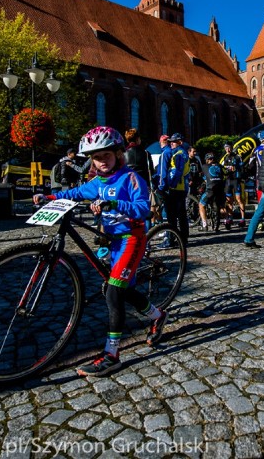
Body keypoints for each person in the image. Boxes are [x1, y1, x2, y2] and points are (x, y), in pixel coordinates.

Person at [32, 126, 168, 377]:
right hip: (111, 241)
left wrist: (114, 203)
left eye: (105, 155)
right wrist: (49, 196)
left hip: (131, 238)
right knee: (123, 289)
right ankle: (157, 316)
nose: (101, 161)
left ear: (118, 153)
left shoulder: (131, 178)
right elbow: (73, 193)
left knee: (114, 293)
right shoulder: (97, 182)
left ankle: (111, 355)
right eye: (96, 157)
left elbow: (144, 210)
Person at [157, 133, 190, 245]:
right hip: (181, 187)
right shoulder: (181, 152)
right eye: (170, 141)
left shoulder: (179, 154)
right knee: (181, 215)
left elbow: (178, 171)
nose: (171, 144)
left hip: (177, 188)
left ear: (180, 142)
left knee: (173, 215)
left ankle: (174, 239)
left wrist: (171, 184)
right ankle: (182, 238)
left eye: (174, 142)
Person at [199, 152, 226, 232]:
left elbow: (202, 176)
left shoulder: (204, 166)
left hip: (210, 190)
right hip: (220, 189)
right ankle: (227, 220)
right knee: (222, 206)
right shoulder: (219, 166)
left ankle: (204, 225)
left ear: (207, 160)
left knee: (201, 205)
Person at [221, 142, 246, 224]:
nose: (227, 150)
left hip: (236, 180)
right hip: (228, 180)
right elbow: (223, 169)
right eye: (226, 148)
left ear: (231, 148)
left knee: (239, 199)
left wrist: (236, 169)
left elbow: (242, 169)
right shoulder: (225, 158)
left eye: (229, 148)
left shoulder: (237, 157)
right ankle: (230, 217)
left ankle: (243, 218)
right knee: (229, 201)